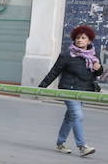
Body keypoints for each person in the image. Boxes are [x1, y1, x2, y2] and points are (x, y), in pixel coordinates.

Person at [39, 24, 102, 157]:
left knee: (70, 117)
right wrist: (41, 87)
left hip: (84, 91)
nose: (79, 40)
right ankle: (82, 146)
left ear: (89, 41)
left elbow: (96, 74)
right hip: (69, 90)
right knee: (77, 115)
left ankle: (60, 143)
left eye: (83, 38)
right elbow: (54, 71)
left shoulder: (93, 56)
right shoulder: (67, 55)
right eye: (77, 38)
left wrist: (99, 69)